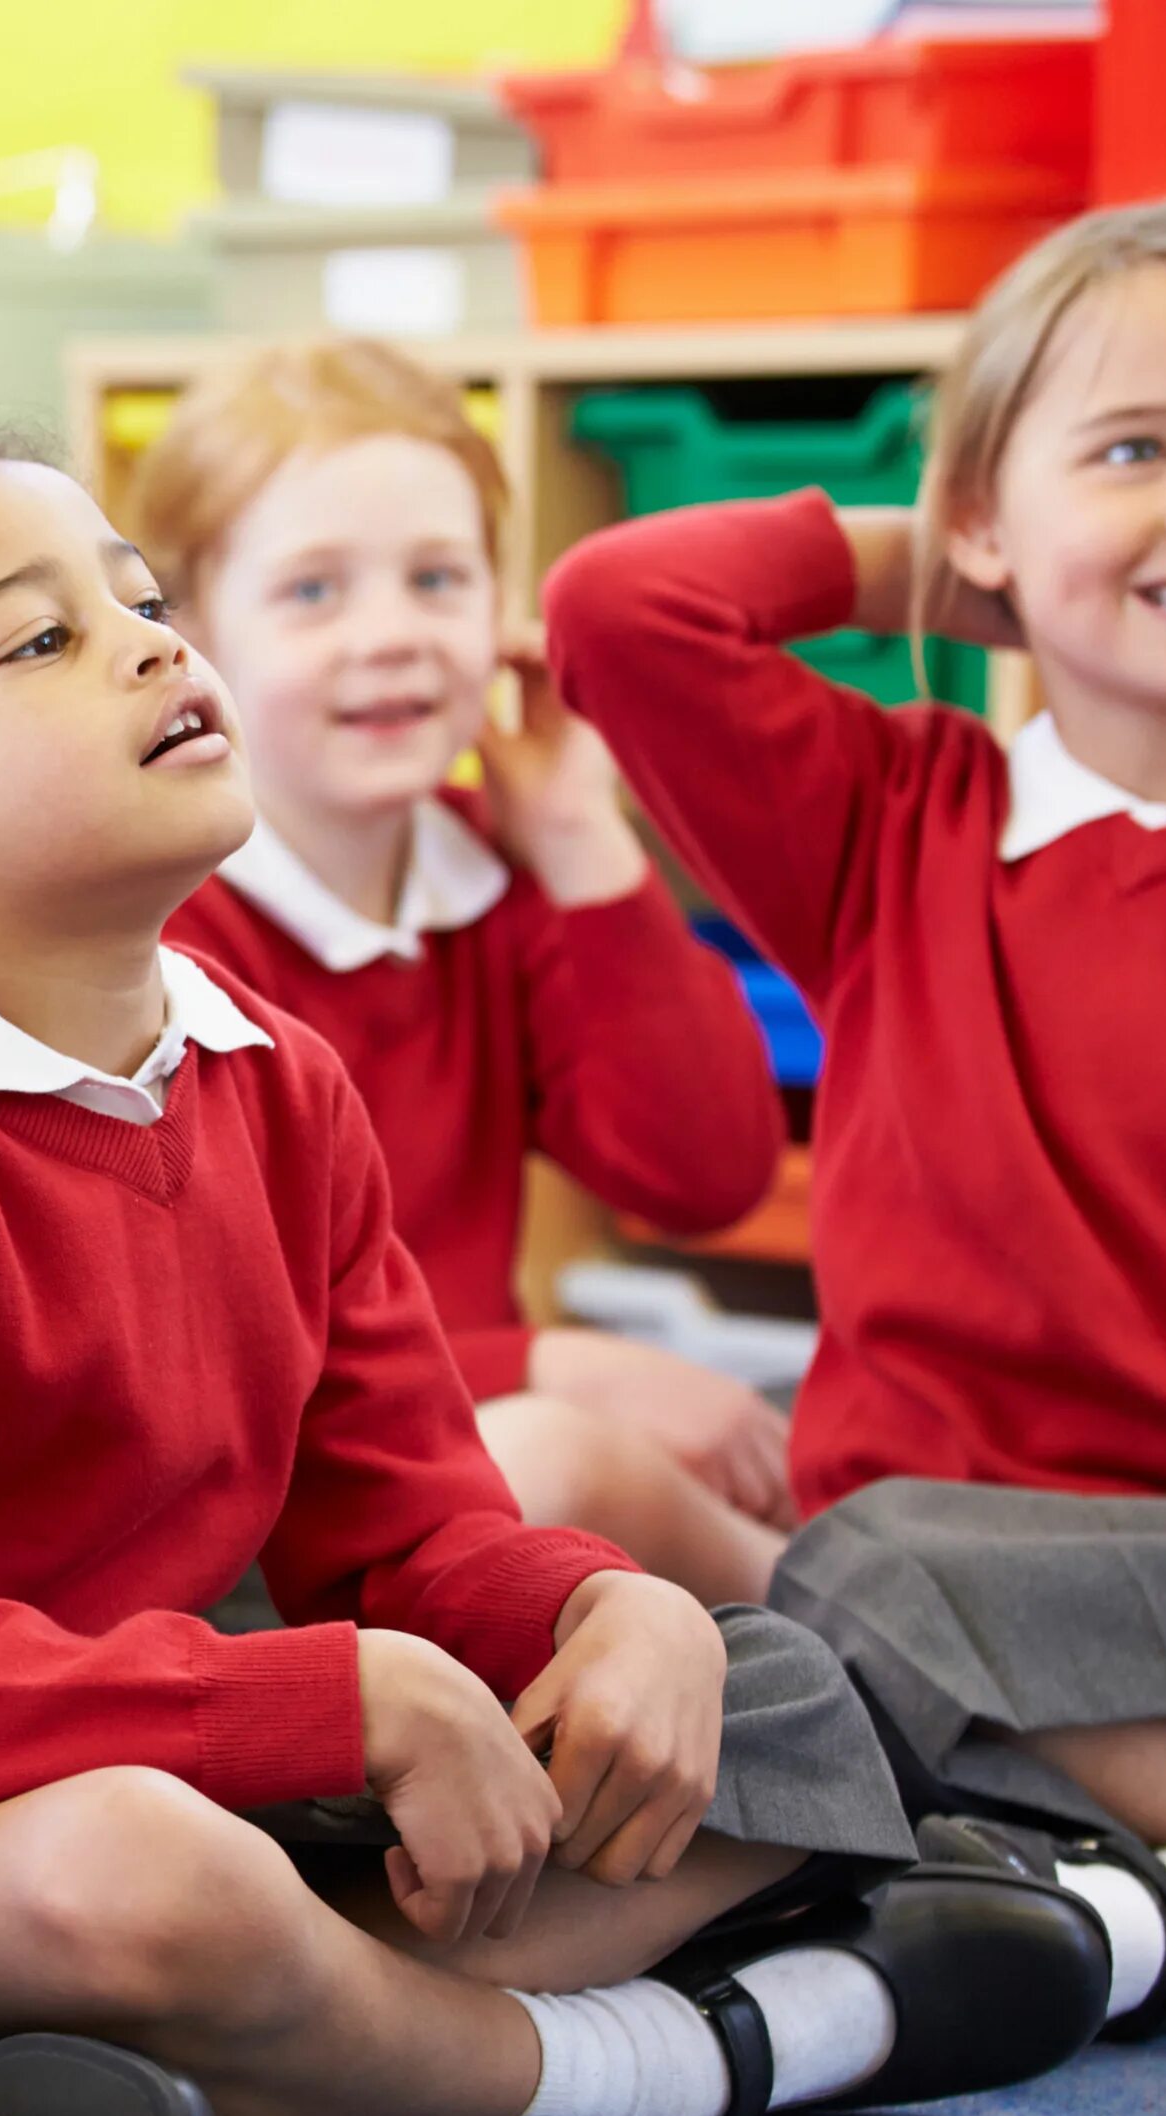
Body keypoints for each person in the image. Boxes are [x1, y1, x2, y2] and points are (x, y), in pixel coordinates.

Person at [0, 425, 1105, 2116]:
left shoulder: (276, 1073)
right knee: (139, 1873)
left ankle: (220, 2064)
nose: (141, 642)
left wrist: (607, 1609)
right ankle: (649, 2061)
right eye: (35, 640)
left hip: (149, 1749)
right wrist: (345, 1694)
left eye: (137, 597)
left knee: (777, 1684)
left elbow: (408, 1530)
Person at [545, 192, 1166, 2049]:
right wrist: (949, 558)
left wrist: (1066, 517)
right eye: (1135, 448)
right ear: (980, 522)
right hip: (937, 1570)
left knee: (860, 1588)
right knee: (565, 1476)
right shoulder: (902, 822)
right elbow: (619, 609)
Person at [139, 340, 793, 1608]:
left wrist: (585, 847)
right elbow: (217, 1342)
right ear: (194, 634)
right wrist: (554, 1361)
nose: (389, 636)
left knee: (740, 1460)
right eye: (314, 592)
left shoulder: (488, 880)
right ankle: (884, 1665)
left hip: (438, 1457)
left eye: (438, 579)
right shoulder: (157, 926)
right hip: (238, 1521)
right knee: (568, 1462)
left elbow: (705, 1172)